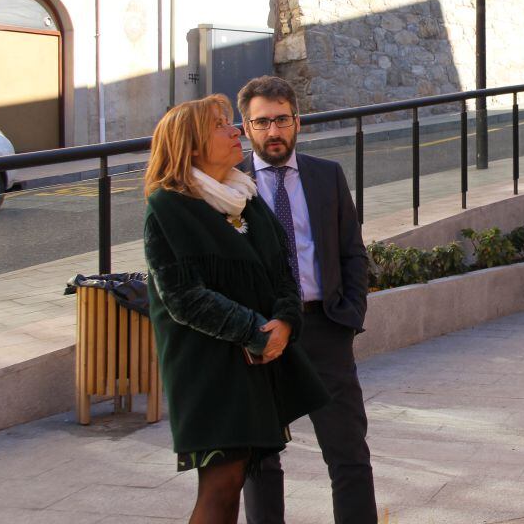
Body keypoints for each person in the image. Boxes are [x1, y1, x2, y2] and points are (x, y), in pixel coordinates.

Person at [143, 94, 329, 524]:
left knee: (237, 475)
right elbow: (183, 297)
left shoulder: (245, 198)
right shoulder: (168, 208)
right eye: (220, 125)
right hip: (207, 368)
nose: (235, 131)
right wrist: (256, 332)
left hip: (256, 361)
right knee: (221, 487)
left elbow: (282, 271)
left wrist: (285, 321)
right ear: (191, 145)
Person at [237, 76, 377, 524]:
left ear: (298, 122)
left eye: (282, 120)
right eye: (262, 122)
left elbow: (352, 251)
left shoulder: (326, 175)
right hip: (261, 334)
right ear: (246, 127)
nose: (273, 131)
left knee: (348, 452)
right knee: (261, 457)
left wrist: (349, 315)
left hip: (323, 328)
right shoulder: (229, 183)